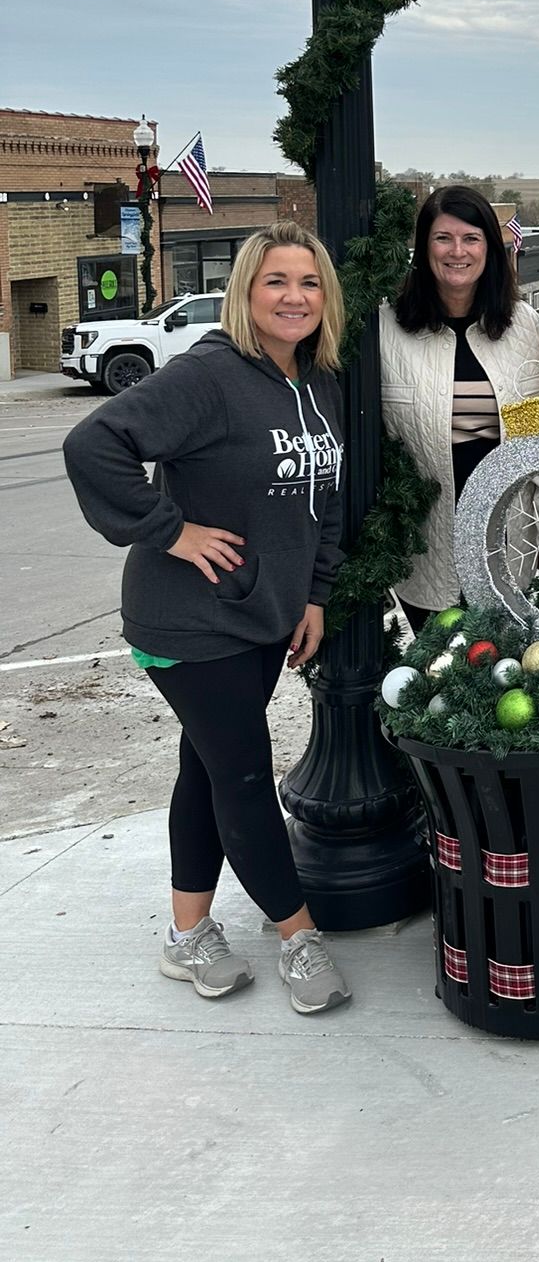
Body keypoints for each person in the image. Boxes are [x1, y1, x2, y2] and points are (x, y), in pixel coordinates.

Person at [63, 223, 352, 1015]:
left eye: (309, 283)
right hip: (188, 621)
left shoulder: (319, 382)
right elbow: (96, 444)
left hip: (262, 617)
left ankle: (186, 937)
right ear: (246, 293)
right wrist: (171, 530)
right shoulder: (209, 375)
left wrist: (314, 595)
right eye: (276, 282)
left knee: (208, 769)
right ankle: (297, 937)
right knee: (247, 776)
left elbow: (324, 506)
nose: (294, 297)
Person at [380, 184, 539, 632]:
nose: (458, 251)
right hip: (428, 555)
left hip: (512, 549)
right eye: (443, 238)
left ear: (490, 249)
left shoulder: (524, 328)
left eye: (471, 239)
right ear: (423, 247)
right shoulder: (386, 330)